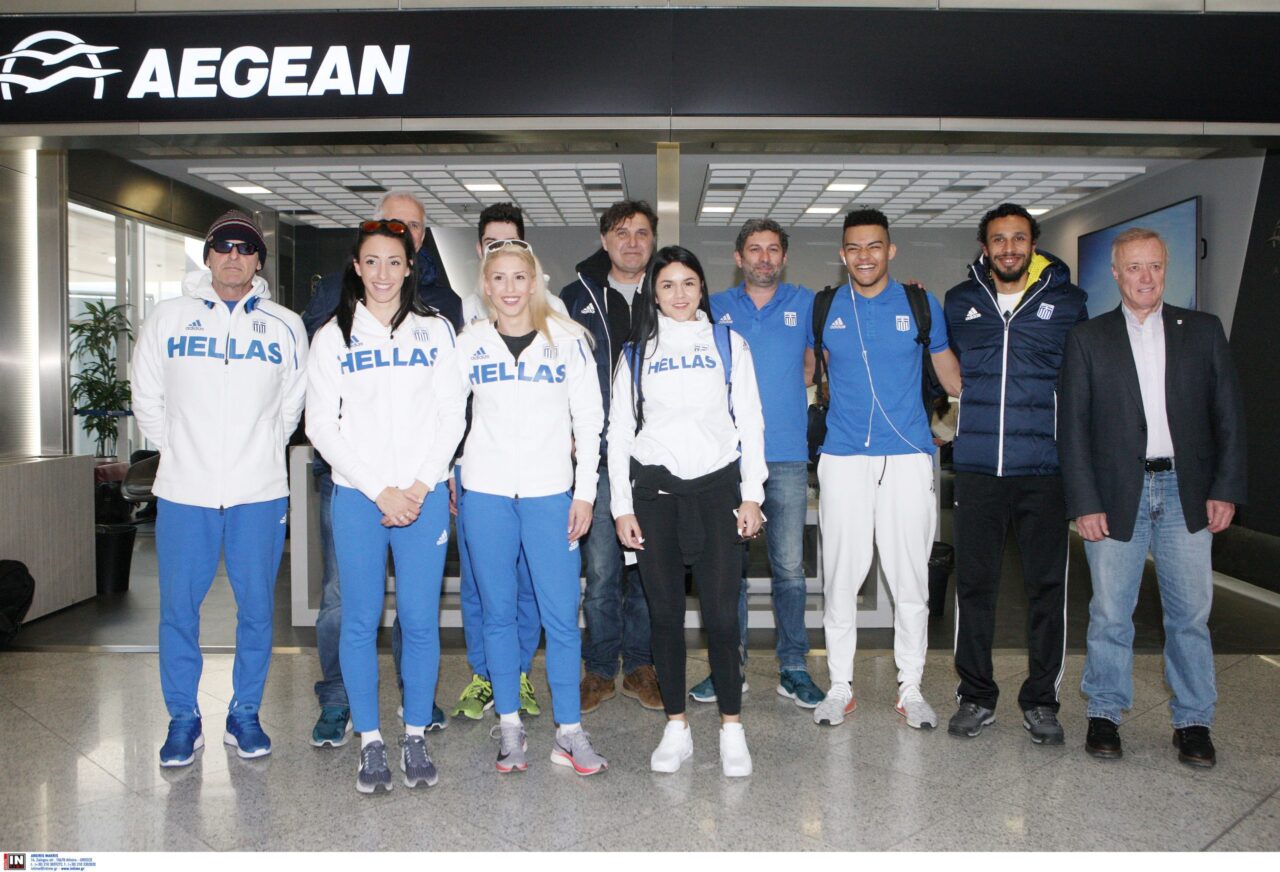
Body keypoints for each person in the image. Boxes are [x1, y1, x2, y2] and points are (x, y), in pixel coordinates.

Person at [1059, 227, 1246, 768]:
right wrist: (1084, 502)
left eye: (1155, 266)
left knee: (1189, 615)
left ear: (1166, 270)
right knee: (1110, 612)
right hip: (1117, 493)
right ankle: (1105, 713)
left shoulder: (1203, 331)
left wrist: (1225, 489)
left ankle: (1193, 722)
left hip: (1187, 492)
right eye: (1135, 267)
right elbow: (1073, 429)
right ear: (1116, 274)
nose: (1146, 277)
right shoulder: (1088, 339)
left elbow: (1229, 417)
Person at [132, 210, 307, 767]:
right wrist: (181, 450)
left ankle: (244, 713)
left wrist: (260, 448)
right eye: (223, 246)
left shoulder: (285, 325)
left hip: (259, 491)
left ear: (259, 261)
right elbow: (147, 397)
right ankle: (183, 718)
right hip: (186, 490)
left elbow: (291, 405)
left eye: (245, 248)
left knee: (256, 609)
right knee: (178, 610)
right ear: (208, 256)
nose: (234, 256)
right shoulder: (168, 318)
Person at [305, 219, 467, 793]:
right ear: (356, 266)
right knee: (359, 620)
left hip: (423, 499)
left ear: (409, 267)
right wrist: (380, 489)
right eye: (371, 261)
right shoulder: (333, 336)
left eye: (393, 261)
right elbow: (320, 425)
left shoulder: (435, 330)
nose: (382, 273)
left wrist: (419, 487)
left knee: (420, 621)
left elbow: (452, 414)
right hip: (360, 499)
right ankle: (370, 741)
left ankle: (415, 732)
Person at [610, 245, 766, 777]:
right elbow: (618, 434)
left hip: (719, 492)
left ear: (703, 288)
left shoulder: (728, 343)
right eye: (668, 285)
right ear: (653, 293)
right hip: (655, 498)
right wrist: (621, 506)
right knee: (665, 617)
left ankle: (731, 728)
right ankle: (676, 727)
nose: (679, 294)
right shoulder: (636, 353)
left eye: (689, 283)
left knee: (722, 617)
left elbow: (751, 420)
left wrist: (752, 494)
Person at [456, 239, 608, 775]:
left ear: (534, 281)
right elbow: (447, 416)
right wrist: (445, 473)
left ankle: (569, 732)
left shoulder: (567, 339)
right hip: (487, 496)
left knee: (561, 618)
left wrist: (585, 493)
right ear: (485, 285)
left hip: (550, 496)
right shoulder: (469, 343)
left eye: (519, 277)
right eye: (498, 278)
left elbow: (590, 420)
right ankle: (510, 726)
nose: (510, 288)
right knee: (498, 615)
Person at [810, 209, 961, 731]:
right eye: (854, 247)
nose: (864, 256)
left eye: (874, 246)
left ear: (890, 250)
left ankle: (911, 688)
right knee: (839, 579)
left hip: (908, 456)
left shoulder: (920, 304)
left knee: (910, 579)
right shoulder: (825, 307)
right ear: (842, 254)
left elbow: (951, 376)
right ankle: (839, 686)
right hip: (843, 456)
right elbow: (804, 369)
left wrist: (963, 424)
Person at [942, 203, 1088, 744]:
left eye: (1019, 238)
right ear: (985, 247)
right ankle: (976, 695)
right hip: (978, 469)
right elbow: (941, 369)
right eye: (999, 239)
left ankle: (1042, 701)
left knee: (1047, 588)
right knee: (974, 586)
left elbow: (1082, 385)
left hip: (1044, 470)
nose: (1009, 248)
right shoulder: (960, 301)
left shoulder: (1068, 303)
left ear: (1033, 244)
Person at [697, 219, 824, 710]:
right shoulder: (714, 308)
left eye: (773, 249)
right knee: (728, 570)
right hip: (728, 460)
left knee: (789, 568)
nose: (764, 258)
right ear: (738, 258)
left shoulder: (806, 303)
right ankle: (730, 666)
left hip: (786, 455)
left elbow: (814, 362)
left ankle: (793, 667)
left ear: (784, 258)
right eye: (755, 249)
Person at [561, 200, 661, 713]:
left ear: (653, 240)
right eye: (621, 233)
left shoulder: (669, 291)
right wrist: (567, 430)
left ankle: (641, 666)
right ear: (604, 240)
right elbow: (557, 371)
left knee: (647, 570)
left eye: (641, 233)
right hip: (597, 457)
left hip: (655, 458)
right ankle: (599, 670)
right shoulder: (574, 297)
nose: (632, 242)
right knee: (601, 571)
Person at [451, 203, 549, 721]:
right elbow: (445, 405)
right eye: (493, 244)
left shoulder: (549, 315)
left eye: (512, 244)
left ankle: (519, 673)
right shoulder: (457, 315)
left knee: (528, 582)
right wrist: (449, 465)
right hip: (476, 470)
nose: (502, 253)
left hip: (534, 476)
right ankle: (484, 674)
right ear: (480, 250)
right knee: (480, 583)